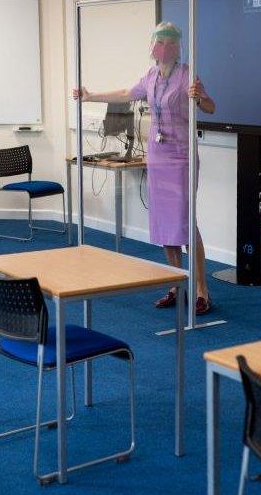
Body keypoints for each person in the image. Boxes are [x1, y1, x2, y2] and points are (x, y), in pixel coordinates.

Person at [73, 22, 215, 315]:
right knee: (165, 224)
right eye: (157, 40)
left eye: (165, 41)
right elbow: (126, 92)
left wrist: (200, 96)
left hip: (182, 156)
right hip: (158, 155)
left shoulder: (188, 74)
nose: (159, 46)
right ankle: (177, 283)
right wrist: (90, 96)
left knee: (186, 222)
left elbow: (210, 107)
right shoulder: (150, 76)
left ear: (176, 46)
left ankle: (202, 290)